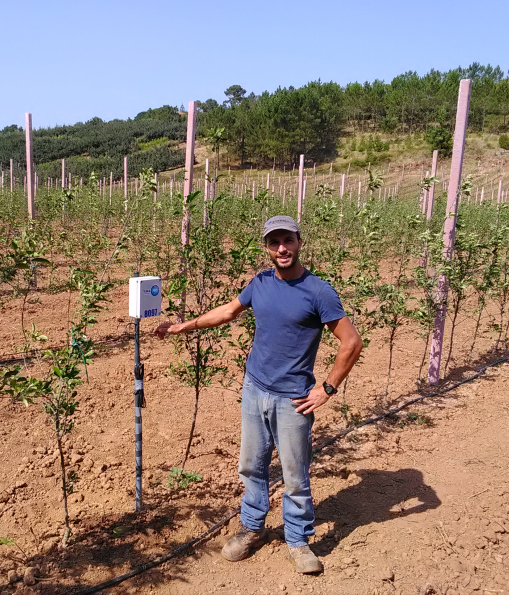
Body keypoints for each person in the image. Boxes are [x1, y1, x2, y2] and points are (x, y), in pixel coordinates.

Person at [155, 215, 363, 574]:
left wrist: (326, 389)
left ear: (299, 242)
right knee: (251, 466)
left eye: (288, 240)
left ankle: (298, 541)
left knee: (295, 474)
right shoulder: (261, 282)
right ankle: (252, 528)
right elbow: (228, 311)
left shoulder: (318, 291)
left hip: (292, 399)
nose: (282, 248)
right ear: (267, 247)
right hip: (254, 390)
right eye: (274, 242)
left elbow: (351, 341)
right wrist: (183, 326)